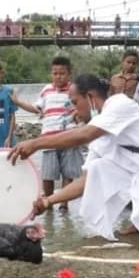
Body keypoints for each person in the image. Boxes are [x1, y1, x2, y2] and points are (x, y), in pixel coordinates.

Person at [8, 74, 139, 244]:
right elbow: (86, 181)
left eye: (75, 103)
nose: (73, 111)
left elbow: (85, 134)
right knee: (99, 167)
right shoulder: (99, 135)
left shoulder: (120, 104)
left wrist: (36, 144)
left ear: (90, 97)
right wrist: (48, 201)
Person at [11, 56, 83, 211]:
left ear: (69, 74)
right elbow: (36, 109)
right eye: (55, 73)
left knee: (68, 173)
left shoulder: (74, 90)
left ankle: (64, 205)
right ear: (51, 74)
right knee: (48, 174)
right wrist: (18, 103)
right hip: (48, 138)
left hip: (69, 137)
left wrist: (78, 114)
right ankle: (48, 203)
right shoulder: (46, 90)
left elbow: (82, 108)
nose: (58, 76)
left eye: (62, 73)